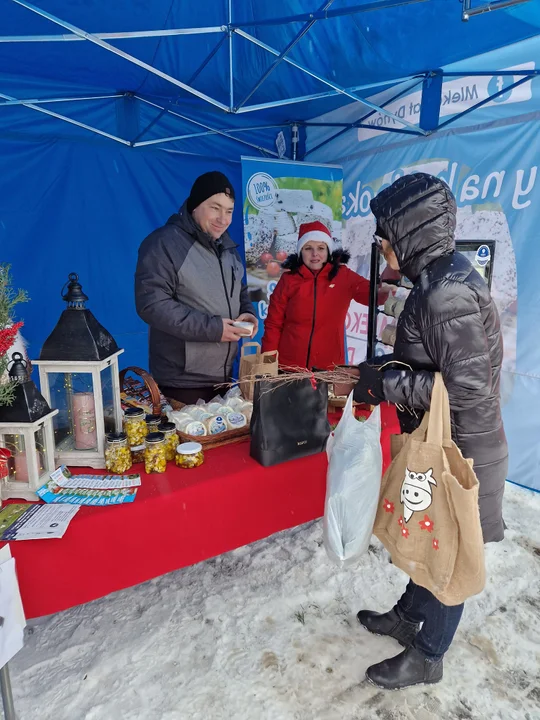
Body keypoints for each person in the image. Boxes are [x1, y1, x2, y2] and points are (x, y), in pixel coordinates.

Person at [351, 173, 508, 690]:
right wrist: (393, 366)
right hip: (444, 442)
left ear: (411, 232)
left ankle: (428, 654)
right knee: (430, 532)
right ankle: (406, 616)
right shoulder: (439, 281)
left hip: (460, 449)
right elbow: (443, 363)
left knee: (448, 546)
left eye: (386, 232)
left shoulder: (444, 292)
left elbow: (465, 388)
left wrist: (390, 384)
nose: (381, 243)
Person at [135, 171, 258, 404]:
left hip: (224, 377)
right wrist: (213, 329)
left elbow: (240, 290)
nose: (223, 218)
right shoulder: (164, 243)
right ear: (195, 205)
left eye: (229, 211)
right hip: (182, 383)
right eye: (215, 208)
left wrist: (248, 313)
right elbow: (151, 304)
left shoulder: (227, 248)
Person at [261, 221, 387, 370]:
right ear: (301, 252)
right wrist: (268, 364)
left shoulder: (344, 276)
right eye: (308, 248)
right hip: (289, 367)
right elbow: (273, 324)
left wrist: (390, 279)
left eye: (321, 248)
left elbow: (375, 296)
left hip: (329, 367)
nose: (315, 254)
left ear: (328, 251)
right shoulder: (288, 280)